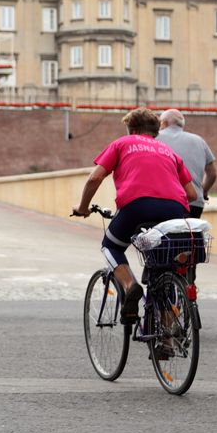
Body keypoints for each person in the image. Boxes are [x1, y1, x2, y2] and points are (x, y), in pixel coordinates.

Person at [72, 108, 196, 322]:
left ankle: (130, 286)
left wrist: (83, 207)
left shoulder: (122, 143)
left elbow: (94, 179)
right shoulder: (170, 152)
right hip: (175, 210)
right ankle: (166, 339)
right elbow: (192, 194)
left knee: (111, 246)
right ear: (155, 132)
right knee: (165, 267)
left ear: (133, 129)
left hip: (137, 206)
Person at [158, 109, 217, 219]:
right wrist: (203, 192)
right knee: (190, 235)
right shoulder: (199, 140)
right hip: (195, 203)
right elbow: (212, 173)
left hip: (165, 202)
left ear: (164, 123)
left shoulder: (154, 138)